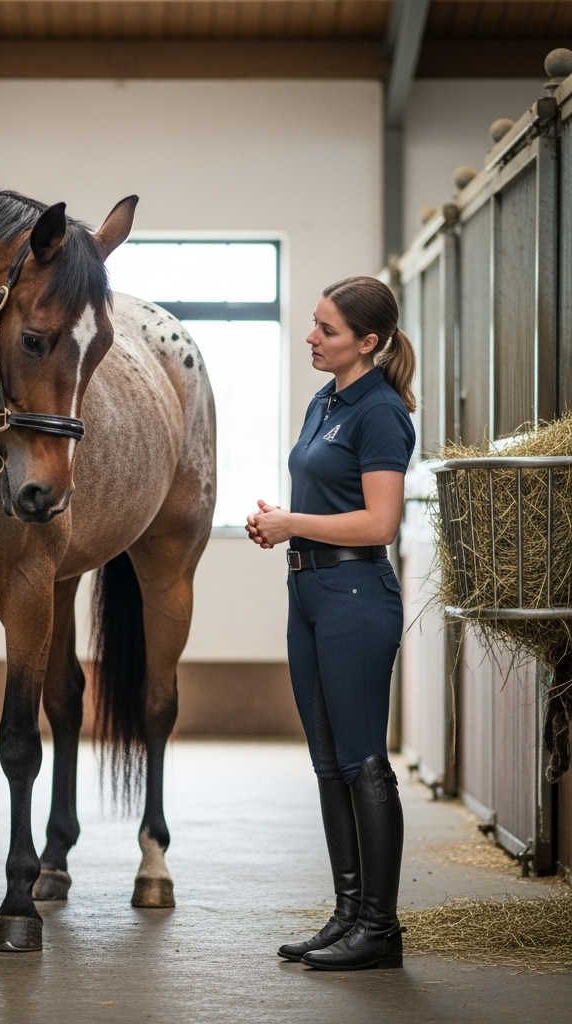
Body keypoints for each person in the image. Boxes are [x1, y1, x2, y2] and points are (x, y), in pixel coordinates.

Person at [246, 276, 416, 971]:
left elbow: (381, 521)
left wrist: (292, 524)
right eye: (315, 324)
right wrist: (279, 527)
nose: (312, 338)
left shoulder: (380, 411)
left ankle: (379, 928)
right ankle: (348, 914)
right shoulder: (327, 400)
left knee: (362, 759)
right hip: (310, 592)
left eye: (328, 330)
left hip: (354, 593)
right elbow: (326, 493)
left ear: (367, 343)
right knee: (327, 762)